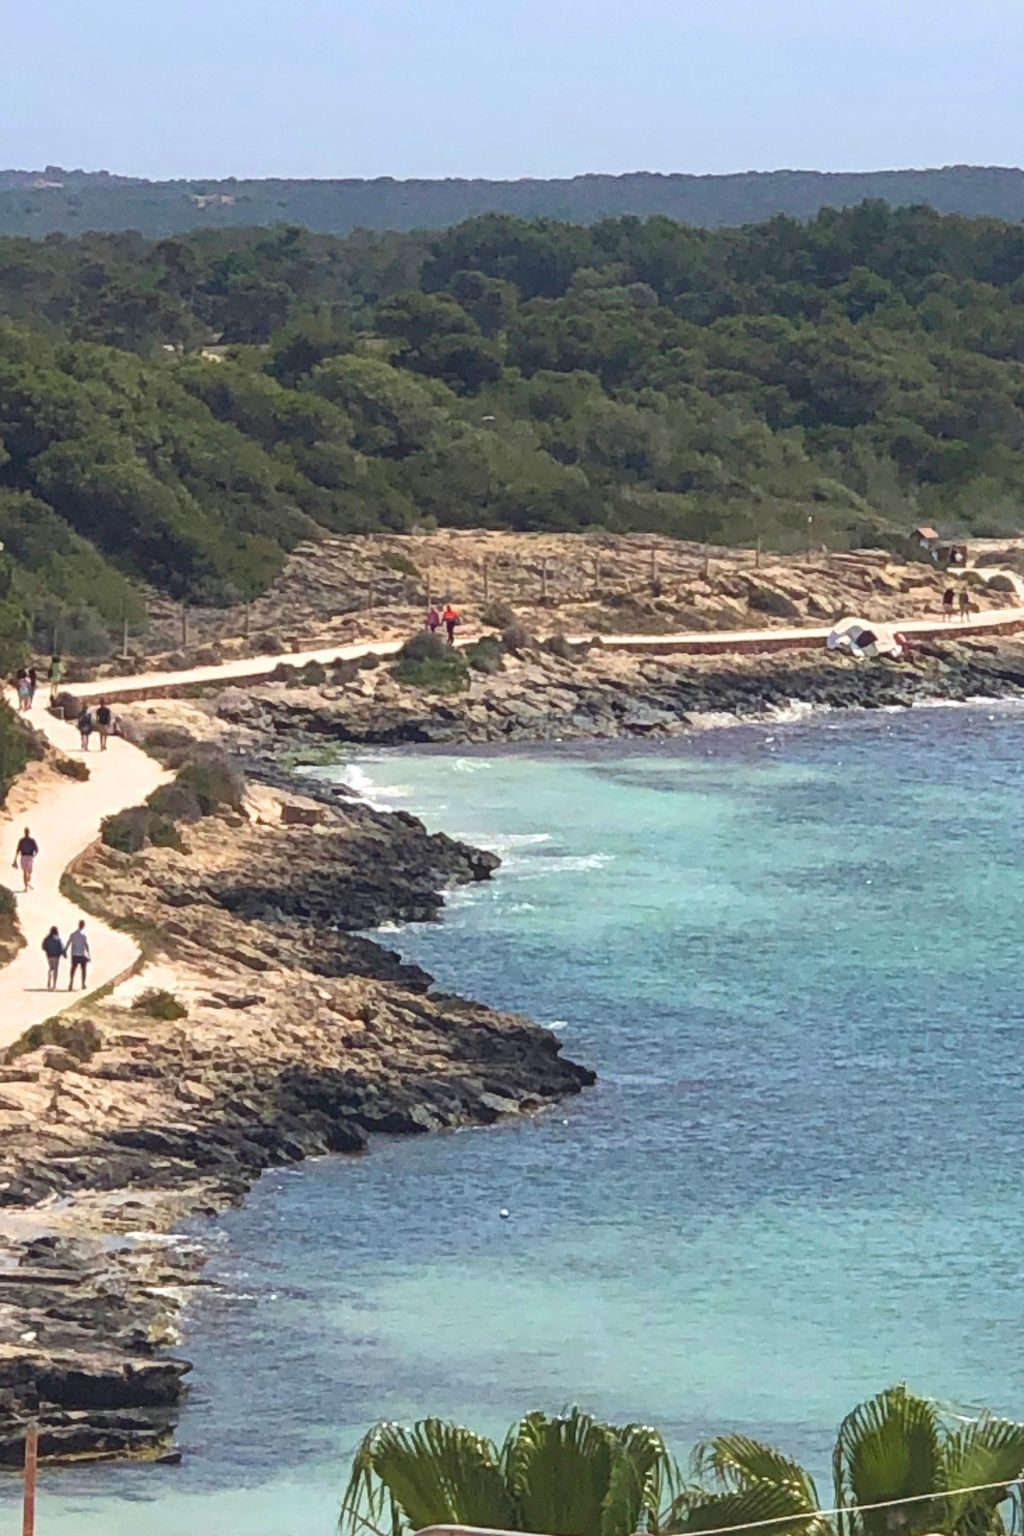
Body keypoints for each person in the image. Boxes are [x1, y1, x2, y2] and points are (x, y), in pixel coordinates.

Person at [64, 921, 90, 990]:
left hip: (74, 954)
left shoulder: (73, 934)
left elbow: (68, 943)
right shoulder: (84, 935)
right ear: (83, 925)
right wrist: (88, 954)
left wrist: (65, 951)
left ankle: (71, 983)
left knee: (73, 969)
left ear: (78, 925)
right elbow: (86, 945)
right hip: (82, 954)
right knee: (83, 970)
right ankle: (83, 984)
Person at [12, 828, 38, 892]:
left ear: (24, 832)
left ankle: (26, 887)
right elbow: (36, 850)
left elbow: (18, 850)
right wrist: (34, 856)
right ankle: (27, 883)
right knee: (29, 871)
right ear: (29, 832)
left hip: (23, 857)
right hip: (29, 857)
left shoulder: (21, 840)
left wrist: (15, 859)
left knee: (25, 872)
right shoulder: (32, 841)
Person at [42, 926, 63, 991]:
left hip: (49, 955)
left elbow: (43, 946)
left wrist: (47, 950)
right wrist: (63, 954)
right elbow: (61, 947)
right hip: (56, 956)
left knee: (51, 968)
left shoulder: (47, 938)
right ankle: (54, 985)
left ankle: (49, 981)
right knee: (55, 970)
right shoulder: (58, 939)